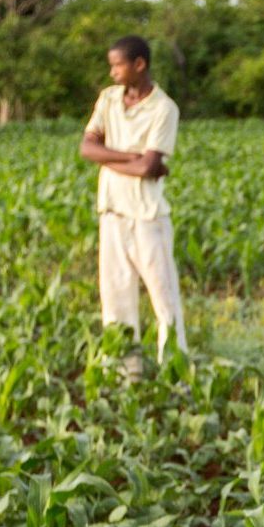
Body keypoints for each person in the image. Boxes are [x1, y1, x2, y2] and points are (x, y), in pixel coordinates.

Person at [80, 35, 184, 371]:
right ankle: (126, 373)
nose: (112, 73)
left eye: (118, 65)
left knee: (165, 301)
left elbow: (148, 168)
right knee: (116, 299)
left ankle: (176, 373)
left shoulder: (164, 108)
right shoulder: (109, 99)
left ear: (139, 65)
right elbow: (87, 149)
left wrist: (110, 157)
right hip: (112, 212)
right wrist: (132, 157)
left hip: (146, 217)